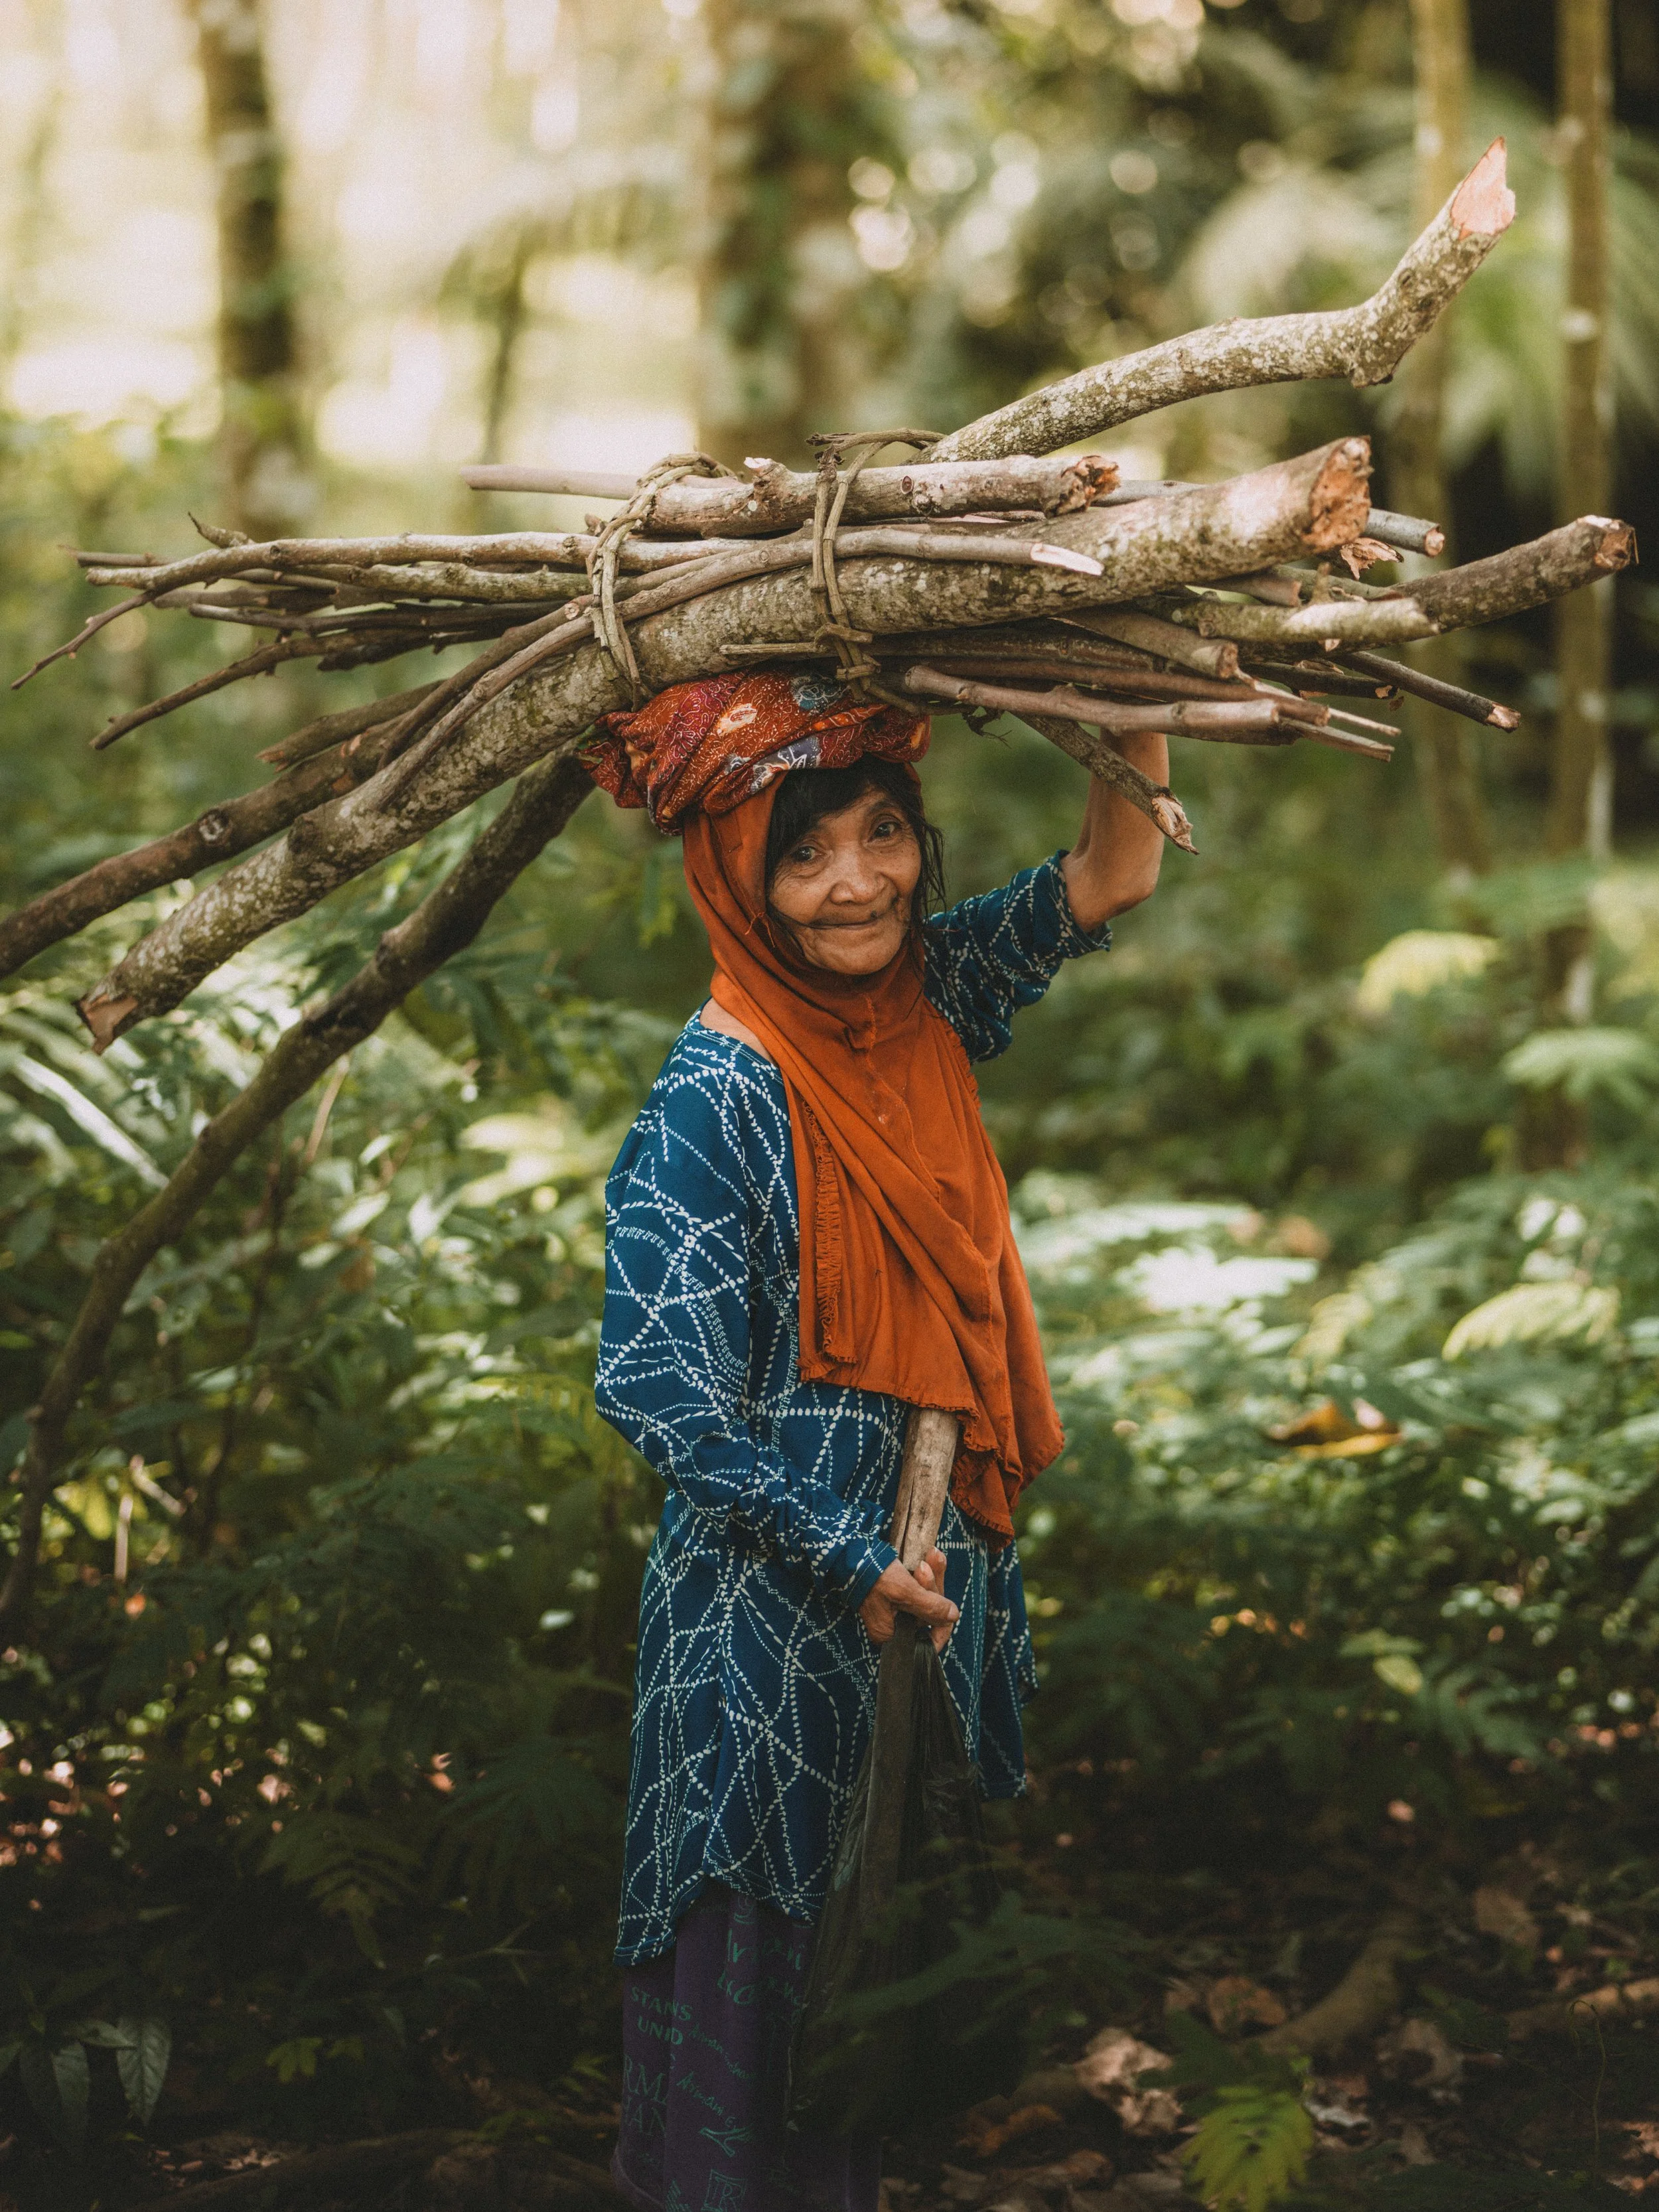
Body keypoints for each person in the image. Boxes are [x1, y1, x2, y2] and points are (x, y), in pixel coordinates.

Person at [585, 670, 1167, 2211]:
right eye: (803, 852)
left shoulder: (922, 1000)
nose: (856, 882)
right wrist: (843, 1556)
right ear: (736, 875)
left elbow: (1111, 871)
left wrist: (1135, 692)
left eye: (883, 832)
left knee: (858, 2014)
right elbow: (655, 1383)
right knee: (749, 1996)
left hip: (900, 1600)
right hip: (762, 1629)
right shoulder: (718, 1090)